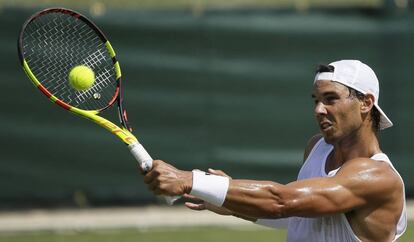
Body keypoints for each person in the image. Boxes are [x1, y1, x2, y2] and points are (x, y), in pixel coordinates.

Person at [143, 60, 407, 242]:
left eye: (331, 99)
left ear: (366, 103)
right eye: (316, 100)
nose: (319, 110)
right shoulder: (316, 147)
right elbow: (298, 216)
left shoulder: (377, 177)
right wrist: (232, 203)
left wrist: (189, 180)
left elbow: (281, 201)